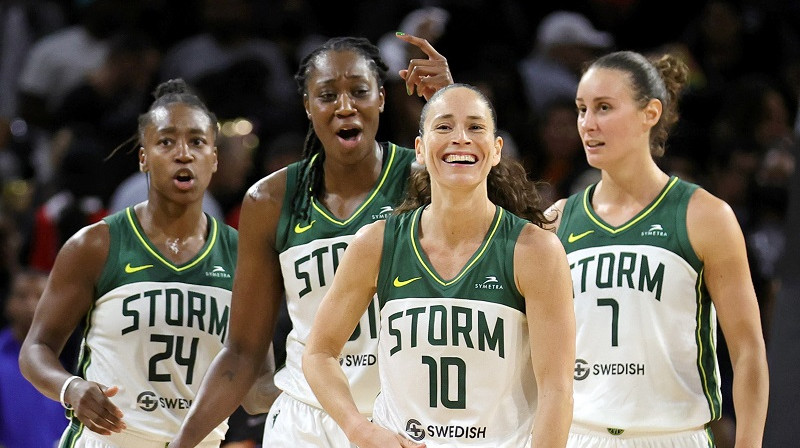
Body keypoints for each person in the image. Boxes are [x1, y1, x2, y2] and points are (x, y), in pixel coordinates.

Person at [169, 33, 453, 448]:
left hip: (403, 418)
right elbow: (243, 352)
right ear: (307, 106)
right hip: (305, 422)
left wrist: (449, 101)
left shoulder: (424, 177)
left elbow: (510, 218)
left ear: (381, 99)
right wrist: (182, 443)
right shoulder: (269, 200)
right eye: (326, 95)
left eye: (359, 91)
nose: (344, 107)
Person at [302, 83, 575, 447]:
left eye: (475, 127)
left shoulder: (534, 250)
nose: (460, 138)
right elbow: (319, 353)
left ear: (496, 151)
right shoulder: (377, 243)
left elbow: (557, 390)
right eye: (444, 127)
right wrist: (359, 429)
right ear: (420, 148)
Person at [546, 50, 769, 446]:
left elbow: (749, 351)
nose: (587, 124)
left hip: (673, 435)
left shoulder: (705, 216)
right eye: (581, 109)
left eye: (603, 108)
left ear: (650, 113)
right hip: (578, 434)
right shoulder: (559, 220)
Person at [18, 78, 238, 447]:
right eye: (166, 141)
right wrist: (71, 388)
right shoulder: (95, 245)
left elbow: (254, 371)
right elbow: (35, 349)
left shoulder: (242, 254)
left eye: (197, 142)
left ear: (213, 158)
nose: (183, 153)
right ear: (143, 157)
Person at [0, 268, 66, 448]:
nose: (31, 304)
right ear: (8, 303)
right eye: (22, 296)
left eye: (39, 296)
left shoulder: (67, 357)